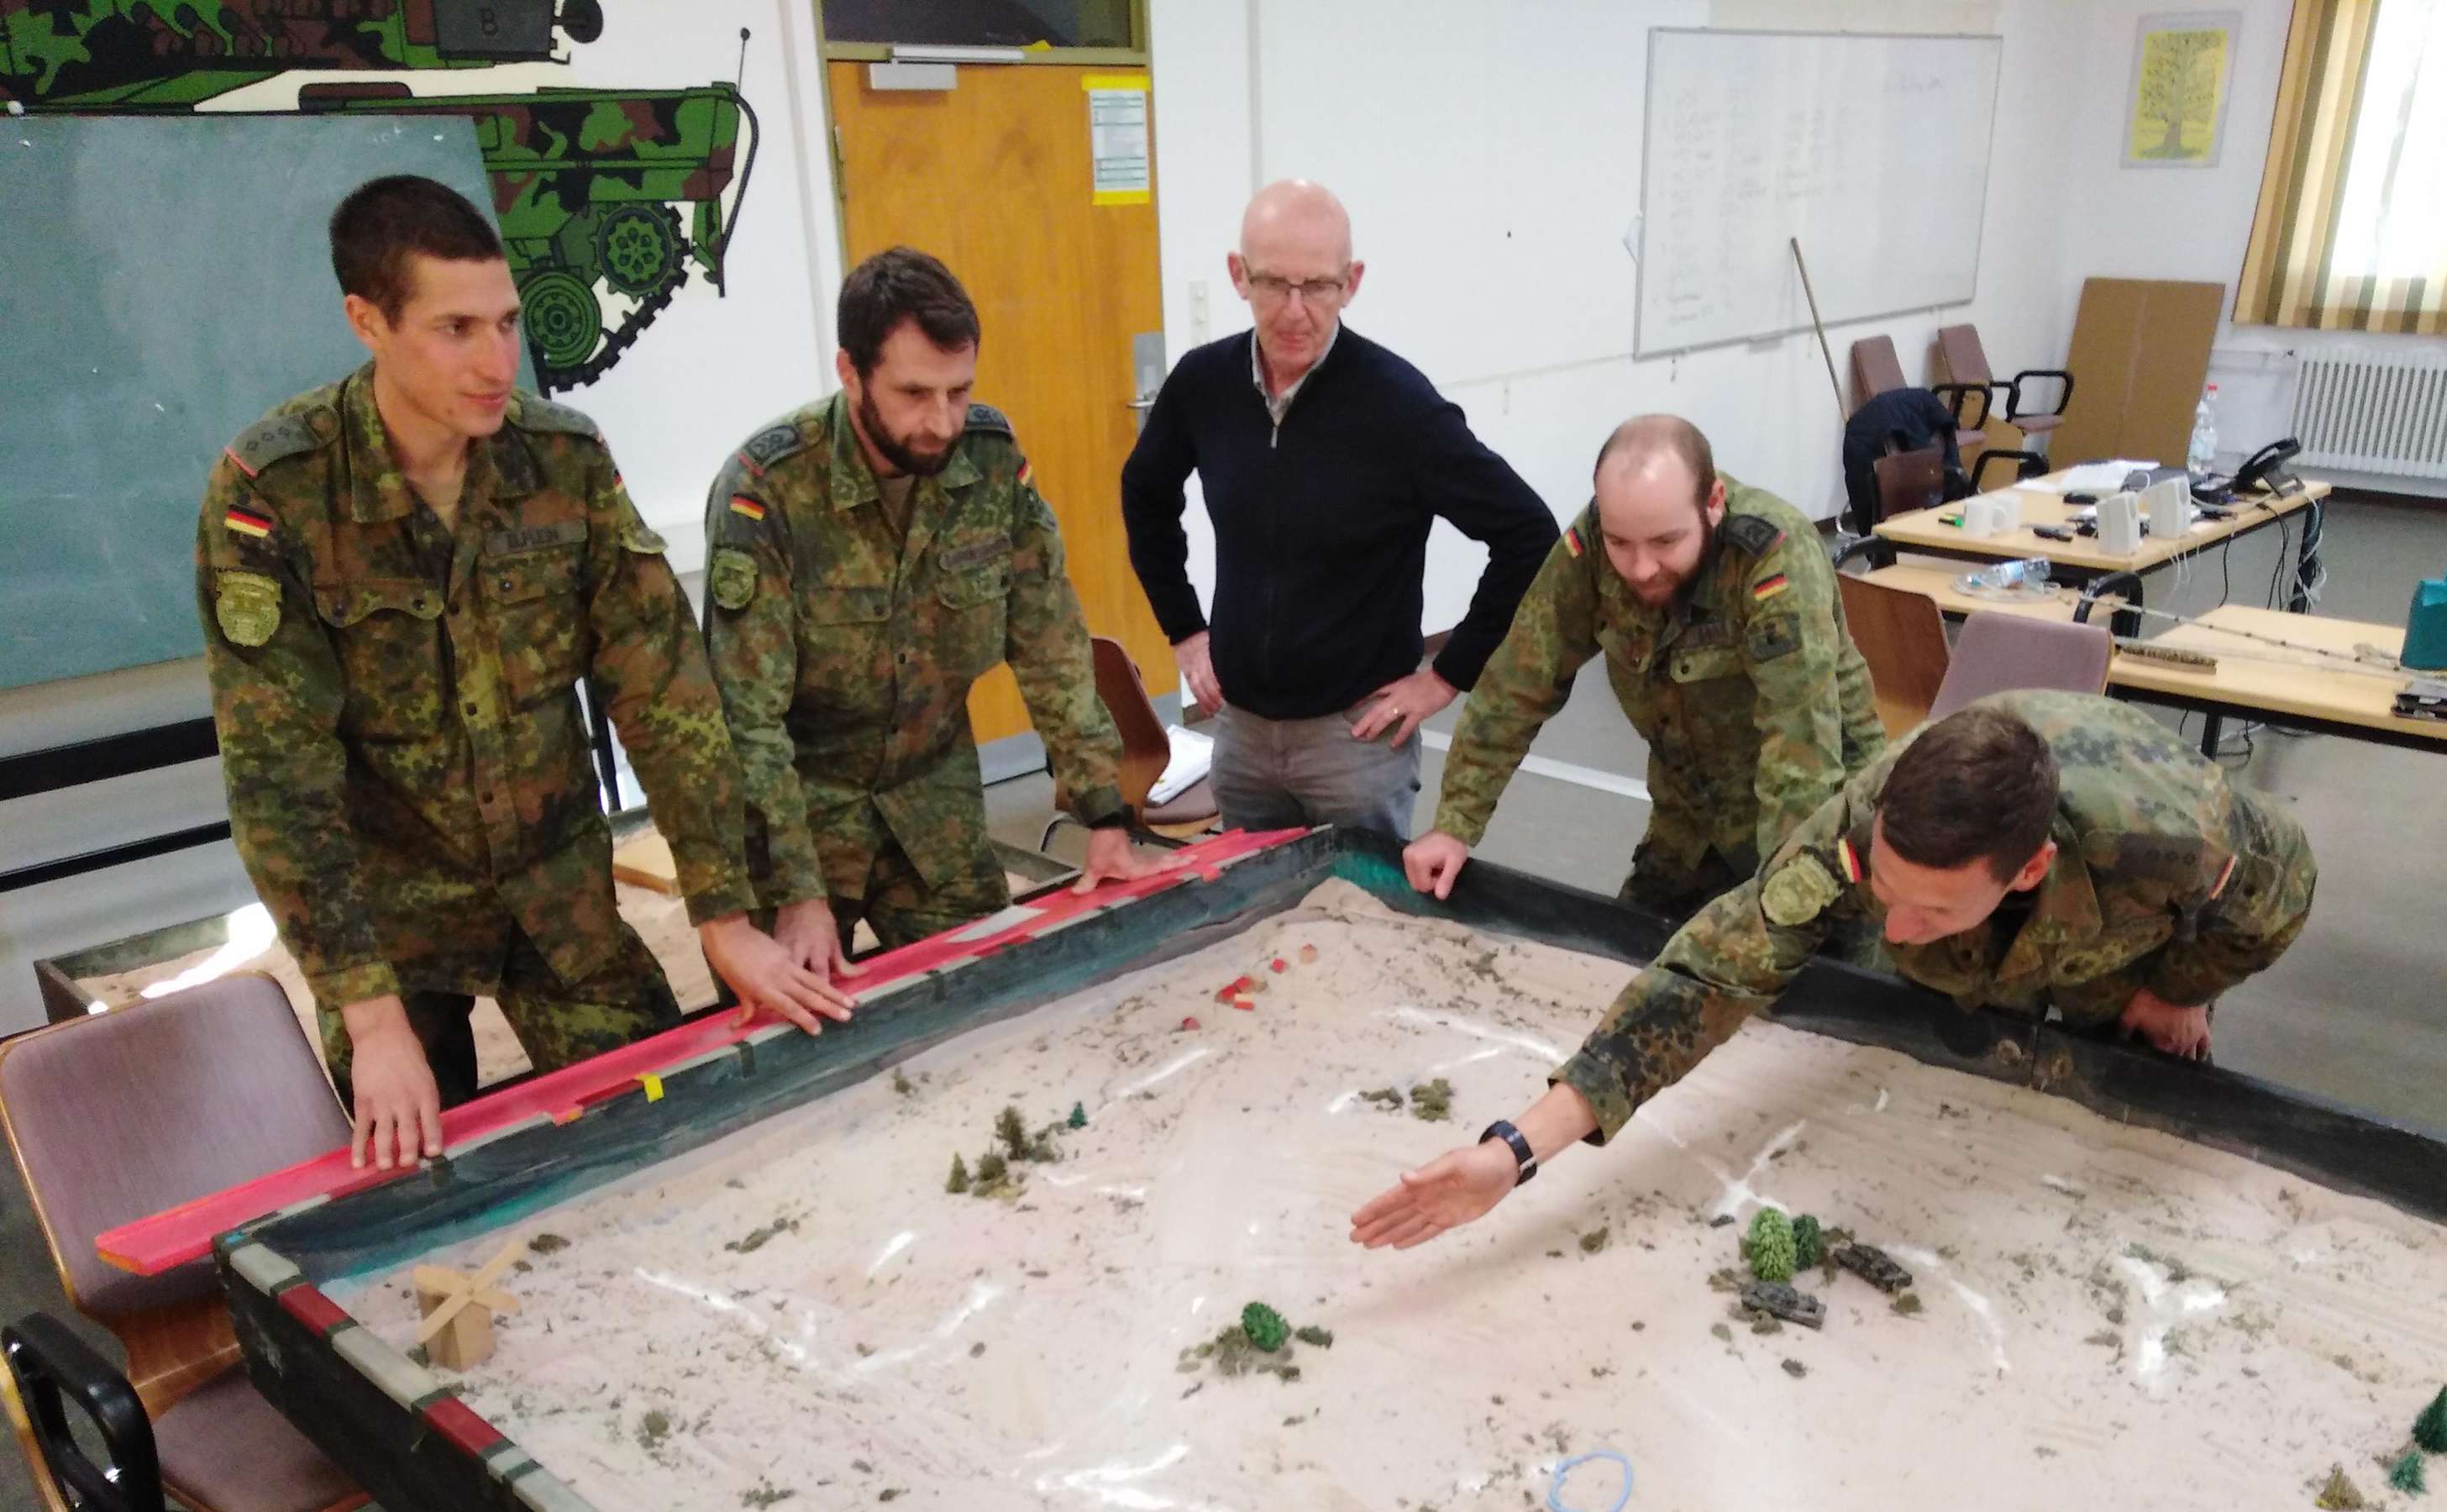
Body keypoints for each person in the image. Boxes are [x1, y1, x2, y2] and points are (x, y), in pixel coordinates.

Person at [195, 176, 848, 1173]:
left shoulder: (562, 461)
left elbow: (666, 695)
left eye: (506, 323)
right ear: (367, 321)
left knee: (667, 1132)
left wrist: (721, 914)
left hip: (557, 893)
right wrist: (370, 1018)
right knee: (411, 1179)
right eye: (455, 329)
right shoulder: (274, 493)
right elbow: (280, 778)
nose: (496, 361)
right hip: (390, 922)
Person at [1350, 691, 2318, 1250]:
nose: (1894, 925)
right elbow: (1710, 975)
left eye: (1928, 906)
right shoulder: (1862, 828)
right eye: (1884, 891)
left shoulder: (2166, 835)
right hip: (1989, 956)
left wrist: (2181, 989)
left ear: (2027, 870)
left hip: (2115, 945)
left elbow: (2283, 891)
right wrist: (1511, 1152)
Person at [701, 248, 1146, 976]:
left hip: (932, 803)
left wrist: (1104, 811)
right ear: (851, 373)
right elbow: (747, 720)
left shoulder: (990, 462)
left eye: (959, 391)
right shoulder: (769, 489)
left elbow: (1051, 643)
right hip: (798, 816)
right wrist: (794, 891)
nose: (941, 422)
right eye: (913, 393)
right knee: (793, 1018)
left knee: (994, 990)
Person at [1119, 179, 1556, 839]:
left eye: (1318, 286)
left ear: (1351, 283)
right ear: (1239, 275)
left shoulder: (1399, 405)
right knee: (1252, 901)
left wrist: (1446, 676)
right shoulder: (1202, 384)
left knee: (1362, 904)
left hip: (1355, 744)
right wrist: (1184, 629)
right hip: (1240, 734)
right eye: (1274, 284)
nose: (1295, 311)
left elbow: (1528, 533)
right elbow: (1145, 492)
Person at [1404, 415, 1887, 920]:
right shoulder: (1592, 544)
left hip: (1826, 829)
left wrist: (1779, 904)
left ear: (1713, 502)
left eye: (1665, 542)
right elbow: (1516, 686)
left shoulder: (1774, 560)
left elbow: (1800, 751)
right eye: (1620, 543)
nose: (1640, 568)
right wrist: (1453, 826)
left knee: (1810, 962)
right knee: (1621, 952)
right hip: (1693, 819)